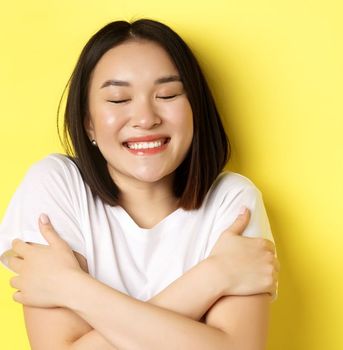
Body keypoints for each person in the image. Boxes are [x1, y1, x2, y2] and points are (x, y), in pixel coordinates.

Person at [0, 18, 280, 349]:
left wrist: (69, 287)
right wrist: (212, 278)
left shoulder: (232, 200)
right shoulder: (56, 184)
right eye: (119, 99)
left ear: (195, 111)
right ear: (88, 123)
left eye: (168, 94)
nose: (146, 119)